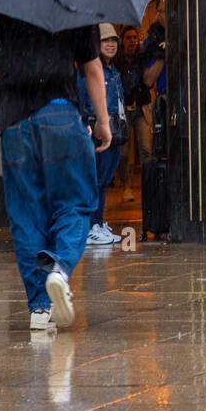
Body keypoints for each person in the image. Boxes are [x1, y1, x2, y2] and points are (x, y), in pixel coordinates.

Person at [0, 11, 110, 332]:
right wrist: (102, 122)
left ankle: (39, 307)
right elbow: (92, 68)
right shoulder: (75, 4)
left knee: (25, 214)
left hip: (15, 122)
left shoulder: (2, 7)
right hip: (61, 115)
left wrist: (8, 74)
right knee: (74, 203)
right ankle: (58, 269)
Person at [78, 24, 126, 247]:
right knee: (96, 179)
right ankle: (91, 227)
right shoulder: (90, 70)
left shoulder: (113, 70)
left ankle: (98, 222)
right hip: (97, 131)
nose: (111, 44)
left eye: (114, 40)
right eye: (105, 40)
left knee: (104, 179)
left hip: (113, 131)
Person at [117, 26, 153, 203]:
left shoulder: (142, 58)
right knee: (123, 154)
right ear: (122, 41)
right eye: (128, 38)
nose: (132, 41)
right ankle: (126, 186)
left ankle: (149, 187)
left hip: (141, 107)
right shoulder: (117, 60)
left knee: (146, 149)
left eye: (134, 38)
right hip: (123, 110)